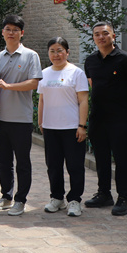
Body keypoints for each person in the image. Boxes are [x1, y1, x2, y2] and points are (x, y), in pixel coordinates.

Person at [84, 21, 127, 216]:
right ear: (93, 38)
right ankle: (104, 193)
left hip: (118, 117)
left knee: (122, 157)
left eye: (105, 33)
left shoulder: (125, 59)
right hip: (98, 116)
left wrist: (120, 104)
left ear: (113, 36)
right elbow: (93, 84)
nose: (101, 37)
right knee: (101, 157)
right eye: (97, 34)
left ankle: (124, 198)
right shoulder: (90, 60)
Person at [0, 15, 43, 216]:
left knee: (22, 162)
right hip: (1, 119)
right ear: (2, 32)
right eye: (8, 29)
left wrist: (8, 86)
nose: (11, 33)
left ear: (22, 33)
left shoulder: (31, 56)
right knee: (4, 162)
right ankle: (6, 196)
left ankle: (20, 200)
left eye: (15, 30)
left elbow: (34, 83)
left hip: (21, 119)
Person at [38, 37, 89, 218]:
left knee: (75, 166)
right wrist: (40, 122)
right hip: (50, 127)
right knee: (53, 165)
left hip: (71, 127)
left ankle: (74, 200)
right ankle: (57, 197)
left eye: (60, 50)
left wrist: (82, 125)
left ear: (67, 52)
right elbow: (42, 99)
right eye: (52, 51)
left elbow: (83, 100)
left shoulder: (76, 73)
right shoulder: (44, 73)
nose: (56, 54)